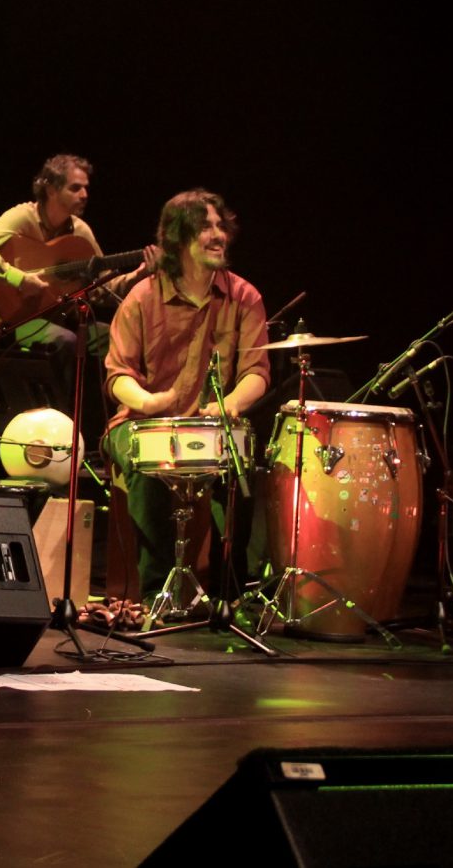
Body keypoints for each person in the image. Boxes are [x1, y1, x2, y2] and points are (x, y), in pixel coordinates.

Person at [103, 188, 269, 605]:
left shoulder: (244, 296)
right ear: (178, 238)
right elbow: (118, 374)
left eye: (220, 226)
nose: (218, 235)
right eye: (204, 227)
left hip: (211, 426)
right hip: (139, 422)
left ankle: (229, 594)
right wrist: (149, 403)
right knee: (147, 463)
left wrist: (230, 404)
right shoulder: (143, 296)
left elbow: (257, 372)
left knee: (242, 470)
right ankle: (158, 593)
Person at [0, 154, 155, 351]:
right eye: (75, 188)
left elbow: (103, 288)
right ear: (51, 190)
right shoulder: (23, 218)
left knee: (119, 338)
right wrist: (20, 279)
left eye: (86, 188)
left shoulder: (80, 231)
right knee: (65, 340)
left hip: (64, 318)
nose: (84, 195)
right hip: (15, 320)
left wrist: (139, 275)